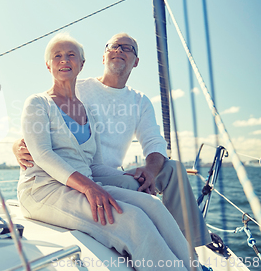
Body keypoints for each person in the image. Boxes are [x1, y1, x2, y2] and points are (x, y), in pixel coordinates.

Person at [14, 32, 212, 248]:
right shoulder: (77, 86)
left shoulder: (140, 101)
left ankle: (193, 244)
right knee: (135, 203)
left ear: (136, 62)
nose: (119, 50)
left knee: (173, 168)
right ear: (103, 57)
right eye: (113, 46)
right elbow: (42, 126)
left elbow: (154, 142)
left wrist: (150, 171)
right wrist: (16, 146)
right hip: (78, 173)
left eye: (127, 48)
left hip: (110, 171)